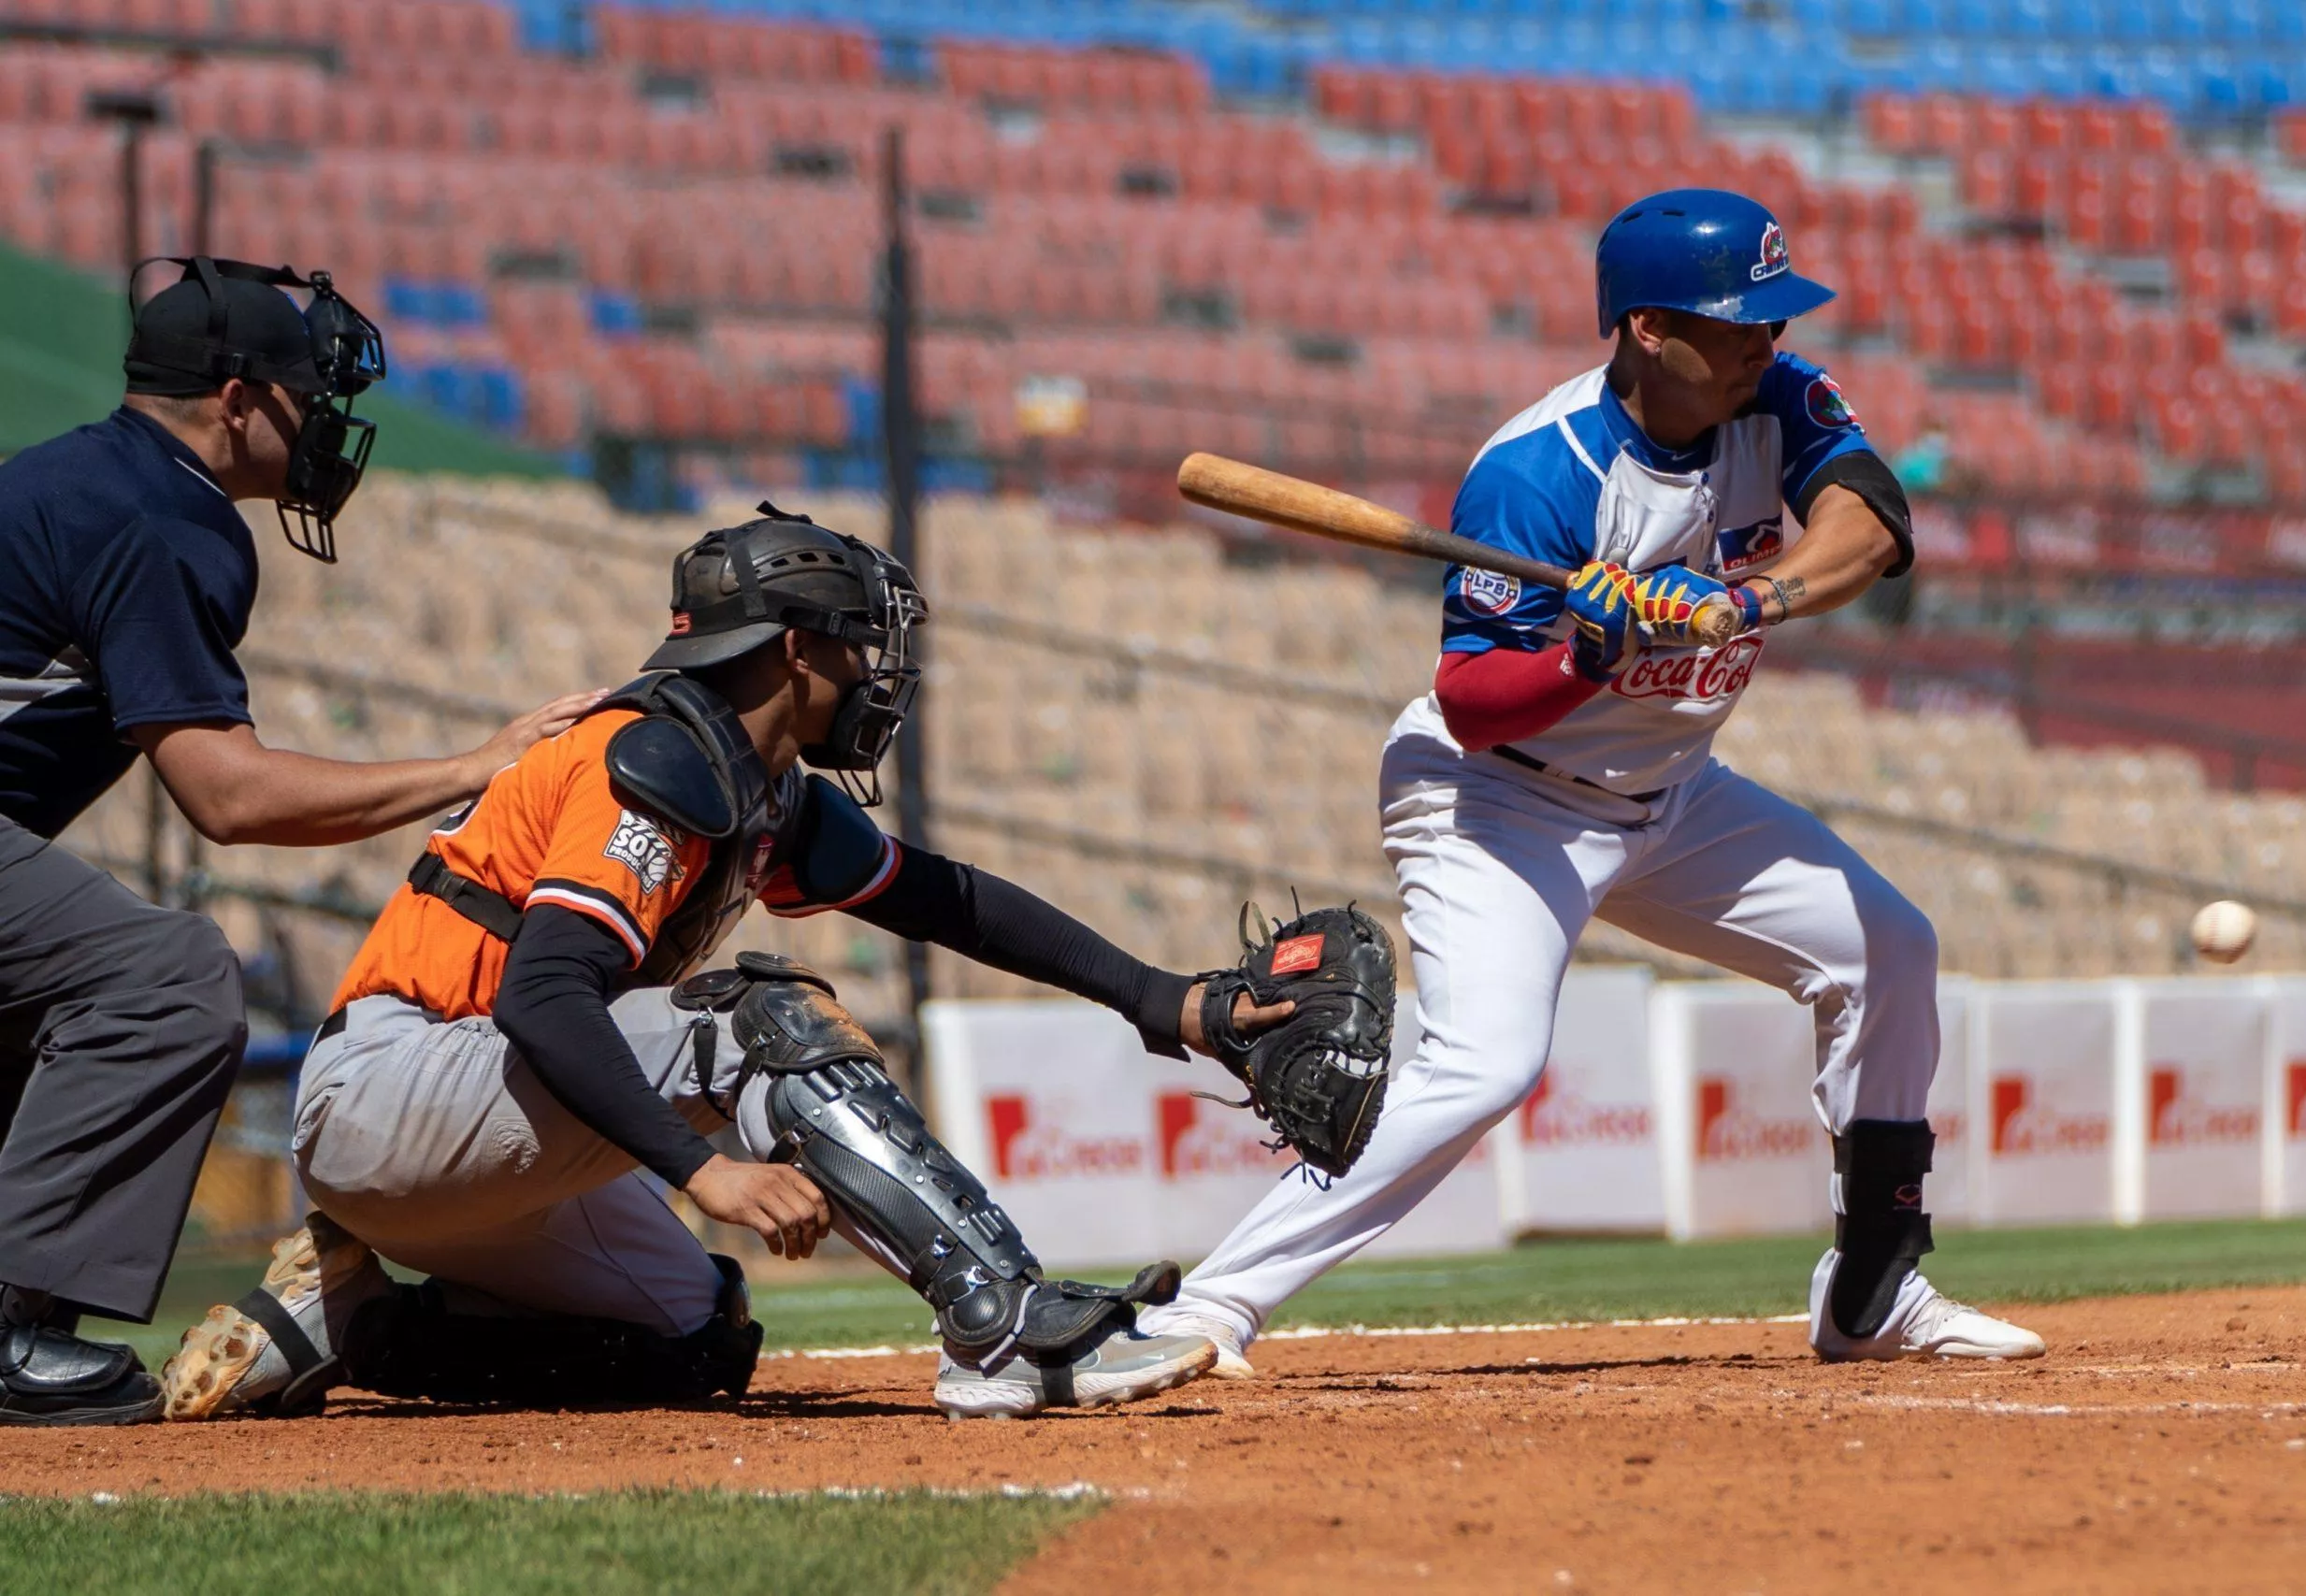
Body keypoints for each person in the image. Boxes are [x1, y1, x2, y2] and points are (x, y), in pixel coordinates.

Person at [1141, 190, 2045, 1374]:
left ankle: (1872, 1289)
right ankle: (1207, 1308)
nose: (1765, 344)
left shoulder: (1775, 395)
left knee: (1889, 949)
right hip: (1502, 803)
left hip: (1669, 791)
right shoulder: (1535, 474)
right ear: (1649, 330)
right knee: (1487, 1064)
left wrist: (1738, 602)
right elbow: (1470, 705)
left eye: (1772, 321)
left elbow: (1870, 524)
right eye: (1738, 324)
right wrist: (1587, 653)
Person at [161, 509, 1289, 1422]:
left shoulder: (759, 783)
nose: (871, 672)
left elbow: (948, 900)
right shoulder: (649, 757)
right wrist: (704, 1176)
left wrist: (1164, 1000)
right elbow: (545, 993)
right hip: (388, 1093)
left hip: (482, 1137)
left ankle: (345, 1326)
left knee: (696, 1338)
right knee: (765, 1017)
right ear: (793, 648)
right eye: (855, 642)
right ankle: (1001, 1326)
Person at [0, 257, 596, 1427]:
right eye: (305, 396)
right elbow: (228, 798)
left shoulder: (81, 478)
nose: (325, 423)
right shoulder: (160, 515)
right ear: (236, 399)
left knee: (37, 996)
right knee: (162, 979)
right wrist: (473, 765)